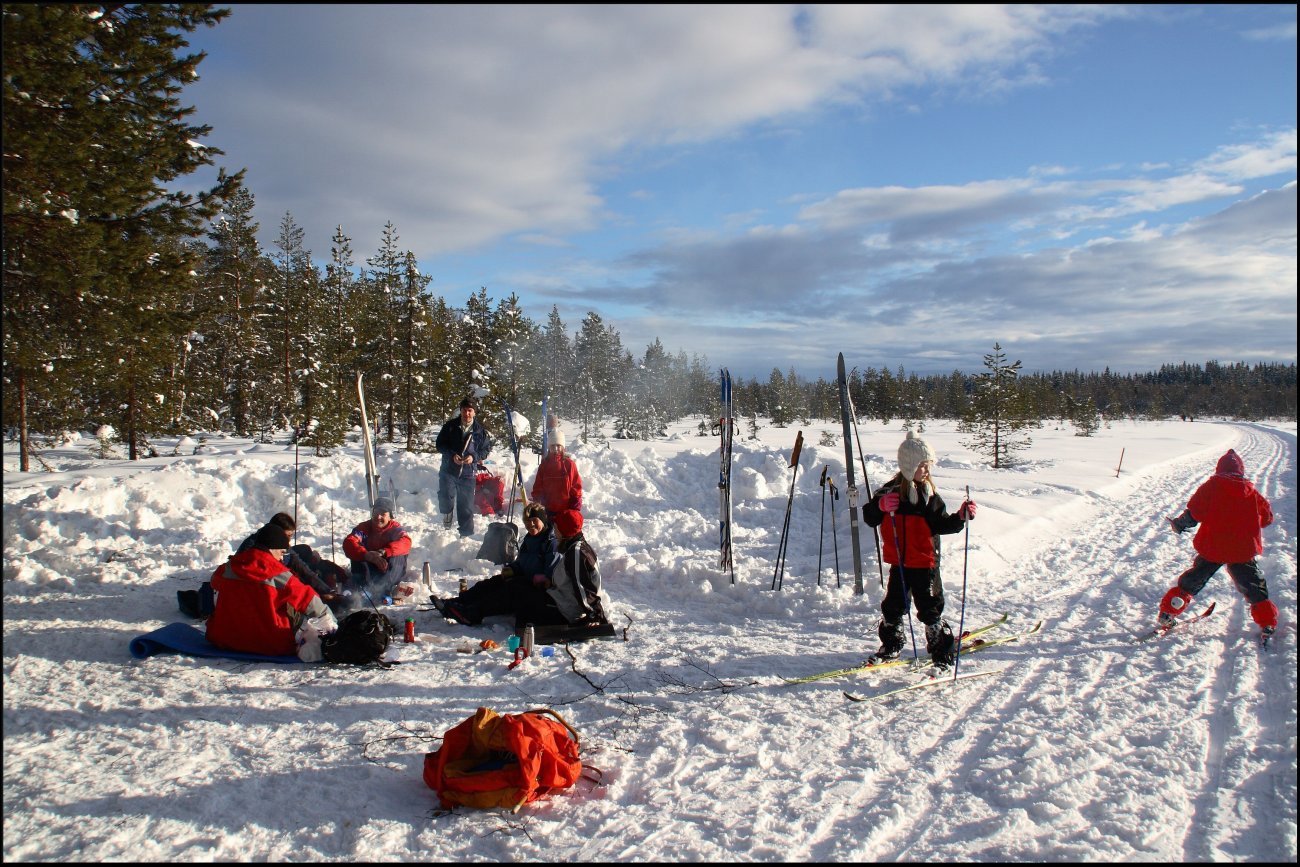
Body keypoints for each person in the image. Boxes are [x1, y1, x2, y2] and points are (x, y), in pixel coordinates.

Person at [861, 430, 976, 667]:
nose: (926, 470)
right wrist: (880, 506)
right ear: (908, 465)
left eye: (928, 465)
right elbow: (870, 517)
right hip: (900, 562)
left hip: (925, 562)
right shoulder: (889, 492)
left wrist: (960, 517)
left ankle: (939, 648)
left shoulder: (929, 496)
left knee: (929, 607)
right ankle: (892, 644)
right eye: (922, 465)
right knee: (893, 606)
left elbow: (942, 524)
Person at [1160, 449, 1276, 638]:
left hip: (1213, 547)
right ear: (1240, 471)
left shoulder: (1211, 486)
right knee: (1254, 586)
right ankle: (1268, 623)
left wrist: (1179, 524)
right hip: (1242, 550)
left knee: (1192, 581)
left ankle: (1168, 612)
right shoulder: (1252, 492)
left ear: (1219, 469)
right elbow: (1267, 519)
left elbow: (1194, 513)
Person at [206, 523, 336, 656]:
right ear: (272, 548)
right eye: (281, 552)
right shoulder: (280, 574)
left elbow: (214, 583)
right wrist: (332, 624)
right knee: (295, 611)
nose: (281, 558)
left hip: (224, 638)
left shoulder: (228, 567)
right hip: (269, 644)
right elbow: (311, 602)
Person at [433, 502, 559, 627]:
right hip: (525, 581)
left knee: (505, 592)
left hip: (540, 591)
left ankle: (472, 614)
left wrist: (529, 578)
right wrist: (512, 569)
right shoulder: (529, 540)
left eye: (534, 520)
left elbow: (550, 575)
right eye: (527, 521)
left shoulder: (551, 543)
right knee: (492, 583)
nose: (530, 524)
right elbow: (521, 563)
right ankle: (457, 602)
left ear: (543, 520)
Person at [236, 512, 349, 609]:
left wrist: (327, 590)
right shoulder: (252, 548)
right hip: (257, 597)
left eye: (291, 536)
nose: (288, 540)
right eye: (287, 535)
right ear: (276, 532)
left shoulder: (280, 544)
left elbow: (301, 567)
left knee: (312, 557)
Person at [436, 397, 493, 537]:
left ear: (474, 412)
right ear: (460, 411)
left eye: (470, 410)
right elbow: (440, 444)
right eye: (464, 410)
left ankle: (466, 534)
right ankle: (447, 513)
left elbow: (485, 450)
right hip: (449, 470)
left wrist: (473, 457)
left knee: (466, 505)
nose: (466, 413)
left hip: (468, 473)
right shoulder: (450, 426)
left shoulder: (480, 431)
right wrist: (451, 455)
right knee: (445, 496)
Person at [342, 497, 412, 600]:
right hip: (369, 571)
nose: (378, 517)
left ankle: (384, 590)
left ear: (390, 516)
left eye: (383, 514)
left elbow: (406, 542)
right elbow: (349, 542)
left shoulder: (395, 529)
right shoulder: (364, 528)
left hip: (389, 572)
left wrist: (384, 552)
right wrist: (366, 555)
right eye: (376, 512)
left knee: (398, 556)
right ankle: (364, 590)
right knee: (357, 554)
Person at [530, 427, 583, 520]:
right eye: (552, 446)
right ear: (549, 447)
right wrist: (538, 503)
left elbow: (576, 486)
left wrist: (575, 503)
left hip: (566, 509)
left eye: (558, 445)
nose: (555, 448)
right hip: (547, 510)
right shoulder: (544, 465)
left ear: (563, 447)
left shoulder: (569, 464)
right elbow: (538, 486)